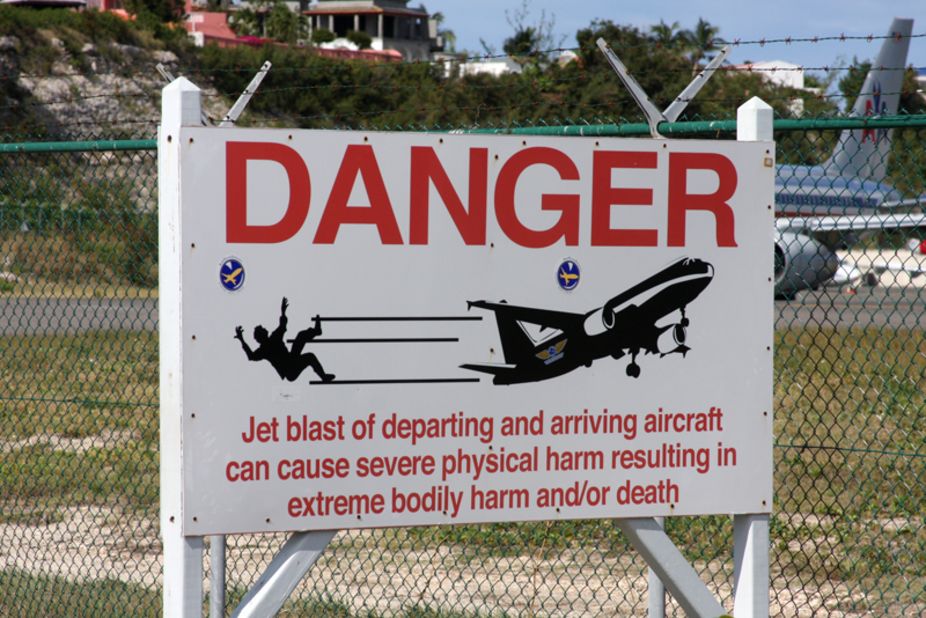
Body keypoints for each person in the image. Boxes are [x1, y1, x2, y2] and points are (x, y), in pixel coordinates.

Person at [234, 297, 335, 383]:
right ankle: (324, 377)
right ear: (261, 335)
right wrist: (242, 340)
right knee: (310, 356)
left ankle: (316, 331)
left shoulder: (274, 338)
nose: (265, 328)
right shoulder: (265, 349)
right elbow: (251, 356)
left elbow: (283, 324)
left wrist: (283, 312)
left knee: (300, 336)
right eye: (262, 329)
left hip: (292, 359)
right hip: (290, 371)